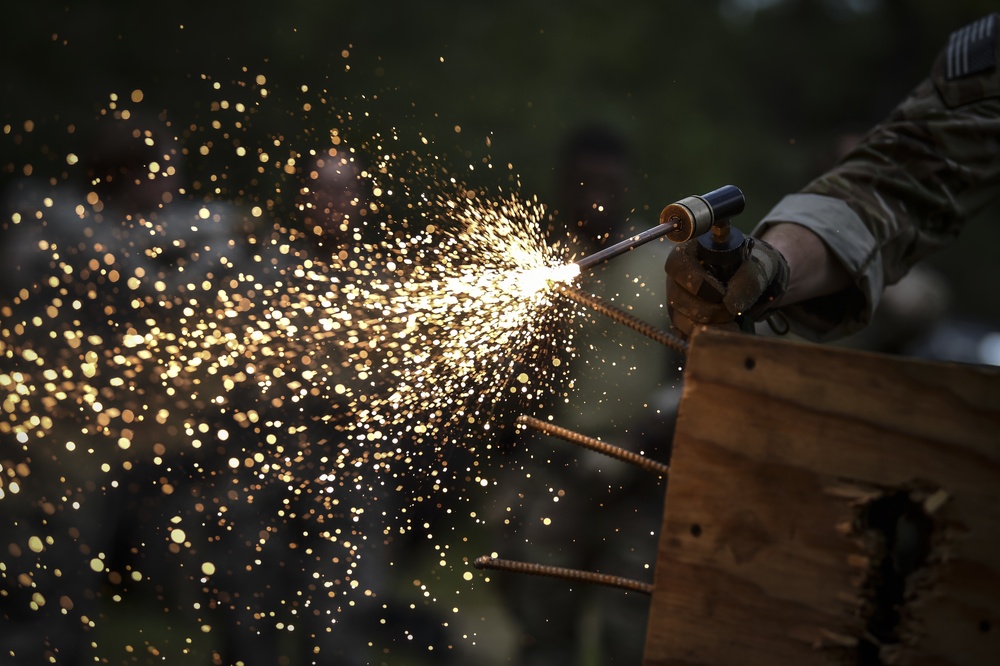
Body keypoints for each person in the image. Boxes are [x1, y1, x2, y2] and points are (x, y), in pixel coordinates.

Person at [666, 12, 1000, 344]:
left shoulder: (918, 292)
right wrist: (770, 262)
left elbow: (921, 303)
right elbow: (892, 181)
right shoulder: (990, 61)